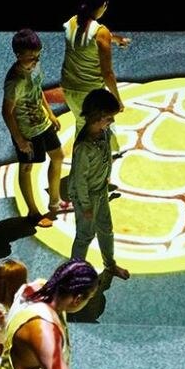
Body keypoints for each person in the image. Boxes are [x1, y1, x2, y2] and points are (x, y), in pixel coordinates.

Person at [2, 29, 69, 228]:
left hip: (43, 123)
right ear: (18, 55)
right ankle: (32, 211)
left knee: (58, 156)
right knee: (26, 168)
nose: (36, 59)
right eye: (31, 56)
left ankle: (54, 201)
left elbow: (38, 90)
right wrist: (20, 140)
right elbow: (6, 112)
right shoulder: (14, 81)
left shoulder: (35, 65)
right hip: (26, 132)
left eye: (38, 54)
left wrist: (50, 113)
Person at [68, 89, 130, 280]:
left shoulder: (103, 132)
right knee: (84, 236)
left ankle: (109, 264)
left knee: (106, 229)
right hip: (86, 196)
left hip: (100, 190)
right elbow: (80, 180)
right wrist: (86, 206)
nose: (112, 121)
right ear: (98, 117)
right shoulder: (84, 147)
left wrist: (106, 176)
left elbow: (107, 155)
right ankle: (72, 276)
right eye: (109, 118)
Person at [60, 0, 131, 143]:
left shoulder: (71, 22)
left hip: (69, 88)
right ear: (103, 5)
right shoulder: (101, 32)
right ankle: (102, 156)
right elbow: (107, 73)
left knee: (82, 125)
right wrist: (117, 99)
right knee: (100, 129)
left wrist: (116, 39)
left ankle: (86, 154)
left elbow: (90, 38)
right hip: (90, 94)